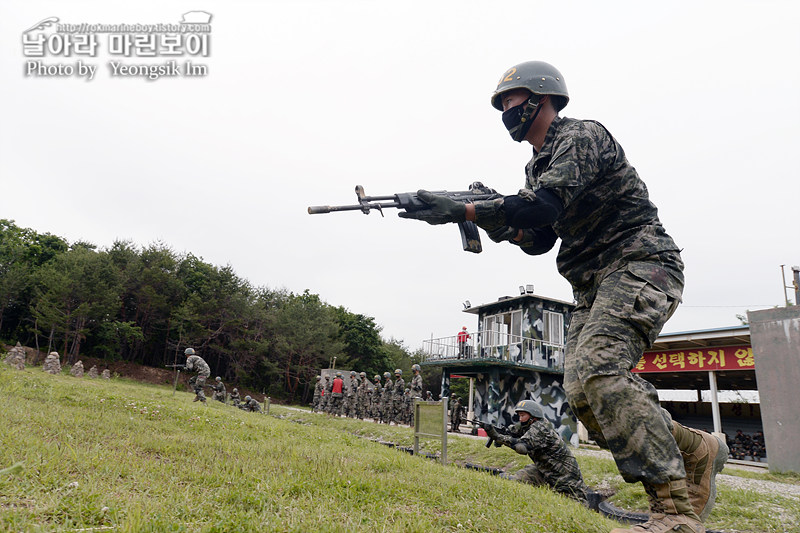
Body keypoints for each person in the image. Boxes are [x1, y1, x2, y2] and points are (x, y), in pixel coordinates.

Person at [400, 60, 728, 533]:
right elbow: (537, 238)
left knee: (599, 371)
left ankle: (675, 515)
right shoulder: (537, 166)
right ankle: (697, 449)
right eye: (501, 106)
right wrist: (480, 215)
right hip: (593, 285)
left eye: (510, 101)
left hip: (640, 265)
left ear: (542, 98)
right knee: (583, 396)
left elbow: (547, 206)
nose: (505, 112)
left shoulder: (580, 137)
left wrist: (471, 206)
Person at [486, 400, 588, 504]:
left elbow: (522, 447)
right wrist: (501, 434)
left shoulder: (541, 427)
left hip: (565, 479)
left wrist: (499, 437)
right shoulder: (527, 425)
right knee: (514, 480)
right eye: (519, 416)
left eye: (523, 415)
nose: (520, 419)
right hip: (544, 470)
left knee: (570, 505)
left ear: (533, 416)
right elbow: (513, 431)